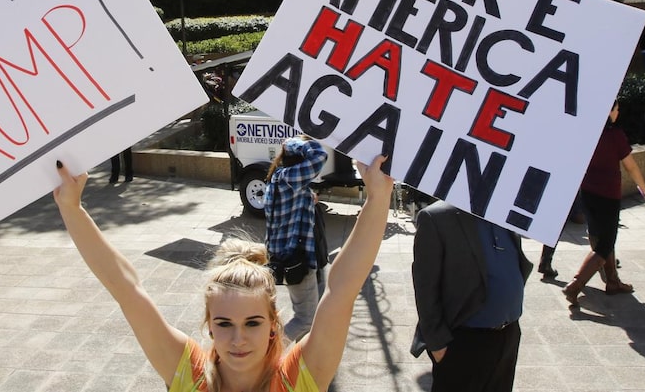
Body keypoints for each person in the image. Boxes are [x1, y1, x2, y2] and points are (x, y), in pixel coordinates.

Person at [53, 154, 394, 392]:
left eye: (253, 323)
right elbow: (126, 290)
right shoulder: (188, 375)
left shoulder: (299, 379)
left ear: (274, 325)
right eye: (224, 324)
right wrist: (71, 208)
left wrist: (378, 199)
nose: (238, 339)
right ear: (209, 325)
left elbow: (343, 289)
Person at [411, 201, 533, 392]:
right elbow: (425, 286)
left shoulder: (505, 211)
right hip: (463, 342)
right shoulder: (436, 218)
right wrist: (437, 344)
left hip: (507, 337)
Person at [563, 100, 645, 305]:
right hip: (608, 195)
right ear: (609, 112)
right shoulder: (615, 136)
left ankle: (612, 282)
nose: (618, 112)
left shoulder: (586, 133)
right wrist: (644, 188)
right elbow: (630, 166)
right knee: (605, 244)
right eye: (616, 109)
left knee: (596, 235)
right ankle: (575, 285)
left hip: (587, 192)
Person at [263, 135, 327, 341]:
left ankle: (302, 360)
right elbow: (320, 155)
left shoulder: (278, 177)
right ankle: (269, 353)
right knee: (306, 319)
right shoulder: (291, 179)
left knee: (313, 311)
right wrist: (295, 142)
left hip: (285, 255)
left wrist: (309, 196)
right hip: (296, 257)